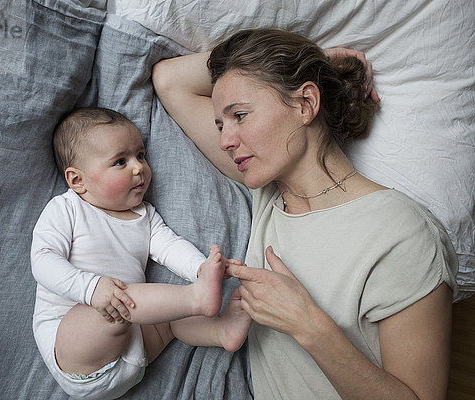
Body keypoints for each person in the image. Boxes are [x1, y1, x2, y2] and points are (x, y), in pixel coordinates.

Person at [152, 28, 457, 399]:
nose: (225, 141)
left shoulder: (402, 233)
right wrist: (318, 63)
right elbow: (169, 80)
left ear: (305, 105)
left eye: (240, 115)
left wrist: (308, 324)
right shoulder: (268, 191)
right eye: (220, 124)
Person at [30, 107, 251, 400]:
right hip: (74, 344)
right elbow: (43, 261)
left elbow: (169, 247)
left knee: (169, 318)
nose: (138, 168)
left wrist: (202, 268)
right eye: (120, 161)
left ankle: (222, 332)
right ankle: (196, 298)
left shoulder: (143, 215)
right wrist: (90, 289)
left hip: (138, 350)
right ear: (77, 180)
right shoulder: (66, 209)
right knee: (118, 303)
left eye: (141, 156)